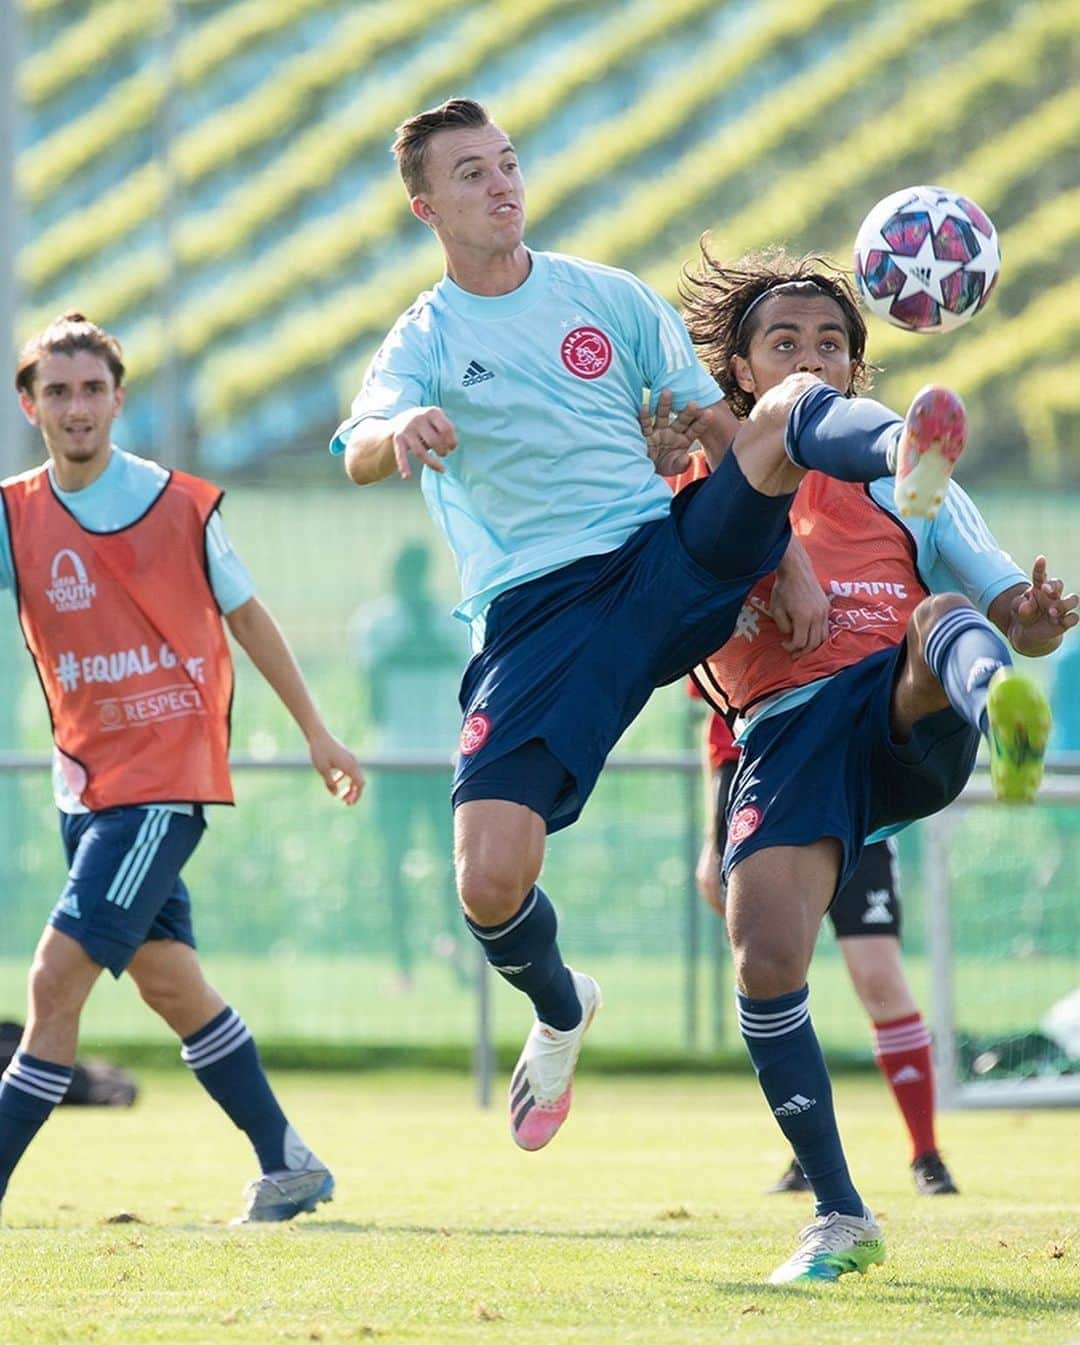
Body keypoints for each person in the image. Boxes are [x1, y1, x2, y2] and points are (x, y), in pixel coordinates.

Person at [333, 95, 975, 1242]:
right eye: (470, 173)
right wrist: (405, 432)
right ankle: (562, 1002)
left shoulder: (607, 297)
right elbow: (361, 445)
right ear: (428, 205)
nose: (500, 183)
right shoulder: (423, 336)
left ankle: (904, 452)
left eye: (509, 163)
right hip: (538, 622)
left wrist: (772, 554)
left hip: (661, 560)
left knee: (778, 411)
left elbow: (715, 431)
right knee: (488, 879)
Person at [654, 247, 1074, 1282]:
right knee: (766, 962)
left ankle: (1002, 711)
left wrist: (1035, 620)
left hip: (901, 712)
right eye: (784, 342)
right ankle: (841, 1212)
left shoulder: (909, 480)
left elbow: (1009, 606)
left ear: (855, 369)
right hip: (787, 736)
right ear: (741, 371)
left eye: (832, 344)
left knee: (942, 614)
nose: (810, 357)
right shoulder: (696, 484)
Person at [0, 312, 365, 1225]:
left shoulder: (177, 503)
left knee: (52, 982)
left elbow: (250, 617)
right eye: (58, 391)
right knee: (170, 984)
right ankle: (289, 1162)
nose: (77, 407)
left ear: (119, 400)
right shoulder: (14, 514)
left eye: (92, 390)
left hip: (163, 783)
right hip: (83, 785)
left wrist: (317, 730)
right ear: (30, 403)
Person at [694, 704, 957, 1197]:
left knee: (880, 978)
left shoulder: (865, 627)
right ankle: (810, 1155)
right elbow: (723, 734)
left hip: (857, 807)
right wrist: (714, 842)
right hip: (773, 813)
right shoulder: (731, 628)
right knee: (779, 977)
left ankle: (926, 1154)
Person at [350, 542, 469, 987]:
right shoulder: (376, 624)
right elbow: (373, 699)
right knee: (393, 861)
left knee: (454, 863)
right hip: (394, 759)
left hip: (442, 758)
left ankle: (455, 952)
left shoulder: (450, 622)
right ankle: (403, 963)